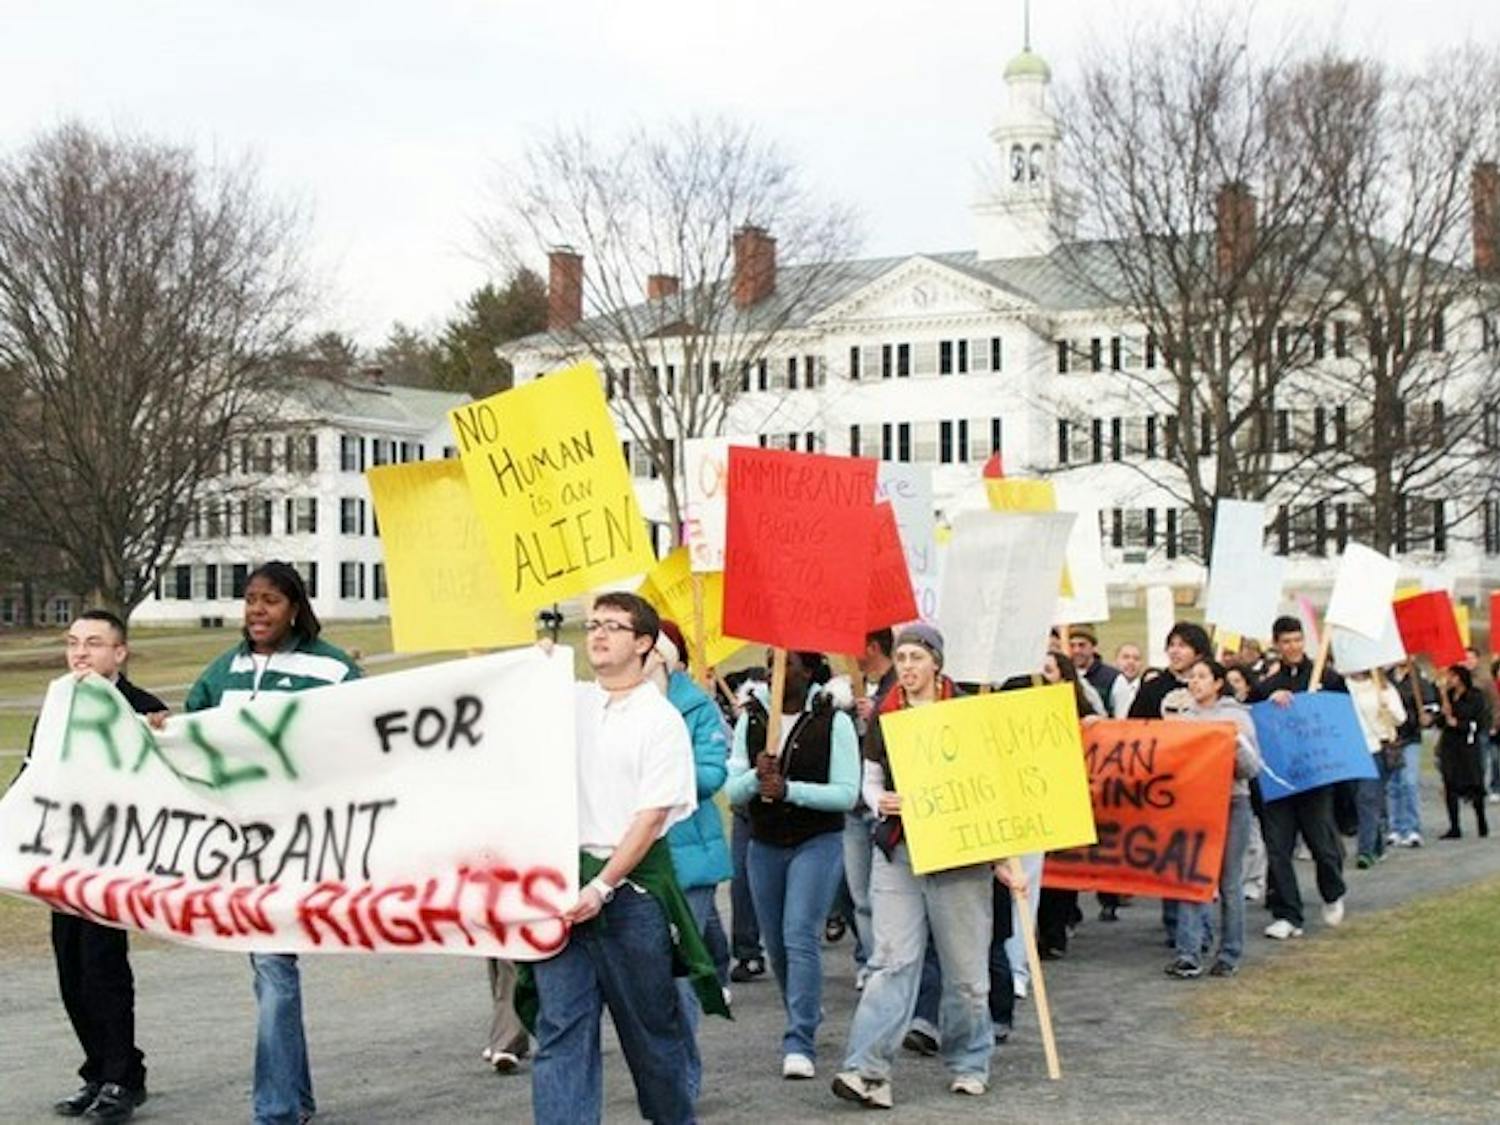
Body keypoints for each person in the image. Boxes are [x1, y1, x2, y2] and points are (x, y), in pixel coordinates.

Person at [528, 592, 720, 1125]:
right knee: (561, 1028)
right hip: (564, 885)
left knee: (650, 1035)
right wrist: (534, 666)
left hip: (630, 896)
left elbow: (650, 818)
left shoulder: (660, 721)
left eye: (613, 626)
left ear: (643, 644)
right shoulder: (571, 702)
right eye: (593, 624)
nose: (598, 634)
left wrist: (602, 886)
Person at [182, 562, 361, 1125]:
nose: (257, 611)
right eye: (250, 599)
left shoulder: (332, 669)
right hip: (242, 851)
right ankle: (293, 1101)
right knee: (273, 973)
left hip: (303, 846)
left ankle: (277, 1111)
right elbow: (191, 732)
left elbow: (365, 739)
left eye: (270, 601)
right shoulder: (224, 671)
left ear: (294, 608)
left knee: (274, 971)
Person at [832, 624, 1003, 1108]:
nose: (907, 666)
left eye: (917, 658)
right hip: (899, 851)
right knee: (891, 961)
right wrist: (878, 801)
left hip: (959, 853)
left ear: (936, 663)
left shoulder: (967, 711)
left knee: (966, 974)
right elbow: (869, 778)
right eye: (902, 657)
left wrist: (1005, 858)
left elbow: (994, 786)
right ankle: (867, 1070)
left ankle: (970, 1061)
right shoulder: (885, 715)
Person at [36, 611, 164, 1123]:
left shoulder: (144, 709)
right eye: (73, 643)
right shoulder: (57, 705)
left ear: (119, 653)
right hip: (62, 858)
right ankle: (97, 1070)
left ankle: (122, 1079)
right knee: (70, 970)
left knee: (102, 969)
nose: (80, 653)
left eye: (93, 643)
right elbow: (34, 774)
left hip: (114, 861)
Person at [726, 650, 858, 1079]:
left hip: (816, 840)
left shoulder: (831, 719)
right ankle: (804, 1006)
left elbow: (846, 793)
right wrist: (754, 778)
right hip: (764, 841)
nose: (775, 673)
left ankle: (800, 1038)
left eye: (787, 665)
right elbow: (732, 790)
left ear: (809, 671)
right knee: (777, 944)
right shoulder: (753, 718)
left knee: (799, 933)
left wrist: (790, 790)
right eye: (770, 665)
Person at [651, 619, 734, 1101]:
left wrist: (658, 770)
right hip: (634, 861)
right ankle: (662, 1073)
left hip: (688, 860)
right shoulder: (614, 706)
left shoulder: (696, 706)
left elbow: (711, 774)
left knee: (678, 972)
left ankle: (681, 1083)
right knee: (649, 977)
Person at [1253, 615, 1348, 940]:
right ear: (1276, 645)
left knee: (1322, 844)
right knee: (1278, 848)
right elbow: (1254, 723)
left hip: (1316, 776)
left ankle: (1333, 892)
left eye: (1297, 640)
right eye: (1286, 641)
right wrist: (1269, 704)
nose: (1293, 646)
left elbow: (1342, 718)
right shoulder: (1265, 687)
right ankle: (1288, 914)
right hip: (1280, 780)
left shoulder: (1328, 679)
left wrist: (1317, 701)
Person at [1166, 659, 1261, 979]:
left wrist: (1233, 744)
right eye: (1191, 677)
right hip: (1194, 806)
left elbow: (1252, 769)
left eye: (1202, 676)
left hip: (1232, 803)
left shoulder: (1238, 718)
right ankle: (1188, 953)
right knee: (1193, 877)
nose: (1194, 682)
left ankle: (1229, 953)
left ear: (1218, 683)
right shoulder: (1184, 719)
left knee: (1229, 881)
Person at [1036, 651, 1104, 955]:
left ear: (1064, 678)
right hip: (1037, 797)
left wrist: (1095, 726)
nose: (1042, 676)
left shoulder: (1083, 712)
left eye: (1048, 671)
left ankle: (1056, 932)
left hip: (1066, 798)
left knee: (1061, 869)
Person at [843, 628, 898, 987]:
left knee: (889, 896)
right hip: (855, 804)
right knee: (860, 894)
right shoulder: (850, 688)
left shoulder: (898, 689)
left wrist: (878, 712)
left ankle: (891, 962)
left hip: (888, 809)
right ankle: (872, 959)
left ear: (872, 647)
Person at [1346, 670, 1407, 867]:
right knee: (1360, 800)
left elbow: (1401, 718)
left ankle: (1365, 851)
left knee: (1368, 797)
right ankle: (1377, 843)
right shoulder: (1342, 686)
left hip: (1376, 749)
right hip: (1350, 750)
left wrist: (1387, 709)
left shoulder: (1383, 687)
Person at [1437, 665, 1489, 839]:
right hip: (1450, 746)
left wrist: (1459, 724)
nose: (1449, 680)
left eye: (1452, 676)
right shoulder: (1448, 696)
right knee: (1450, 783)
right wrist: (1440, 715)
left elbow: (1479, 721)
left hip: (1468, 746)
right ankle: (1454, 826)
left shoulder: (1475, 696)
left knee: (1474, 784)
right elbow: (1442, 720)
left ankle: (1481, 820)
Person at [1387, 663, 1433, 847]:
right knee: (1393, 784)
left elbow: (1431, 705)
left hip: (1411, 735)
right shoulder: (1385, 678)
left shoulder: (1417, 678)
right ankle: (1395, 827)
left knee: (1409, 781)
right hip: (1390, 737)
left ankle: (1412, 827)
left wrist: (1427, 717)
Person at [1069, 625, 1124, 716]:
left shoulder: (1114, 678)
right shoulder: (1062, 675)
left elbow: (1122, 718)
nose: (1076, 650)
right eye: (1072, 646)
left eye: (1082, 645)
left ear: (1093, 647)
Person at [1112, 642, 1145, 718]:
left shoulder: (1147, 689)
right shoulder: (1109, 686)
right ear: (1115, 662)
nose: (1131, 662)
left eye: (1136, 658)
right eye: (1126, 657)